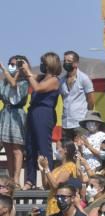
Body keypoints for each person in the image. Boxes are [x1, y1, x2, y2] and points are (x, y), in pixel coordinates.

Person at [21, 53, 61, 190]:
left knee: (43, 147)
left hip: (44, 113)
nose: (42, 65)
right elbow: (29, 78)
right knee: (30, 147)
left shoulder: (54, 80)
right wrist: (23, 69)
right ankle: (30, 180)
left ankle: (47, 180)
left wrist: (28, 72)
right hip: (33, 112)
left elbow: (37, 88)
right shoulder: (41, 77)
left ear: (50, 64)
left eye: (44, 63)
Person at [0, 55, 29, 186]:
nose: (12, 67)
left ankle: (17, 179)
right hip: (6, 114)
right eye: (10, 64)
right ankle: (10, 178)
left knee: (17, 150)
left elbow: (14, 85)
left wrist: (9, 71)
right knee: (8, 149)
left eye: (16, 65)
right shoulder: (3, 82)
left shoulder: (24, 83)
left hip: (17, 115)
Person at [58, 51, 94, 142]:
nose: (66, 63)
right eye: (64, 61)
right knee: (67, 151)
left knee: (80, 150)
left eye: (69, 61)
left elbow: (91, 100)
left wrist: (87, 117)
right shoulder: (61, 81)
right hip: (66, 123)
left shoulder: (84, 79)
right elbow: (63, 98)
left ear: (76, 63)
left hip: (80, 122)